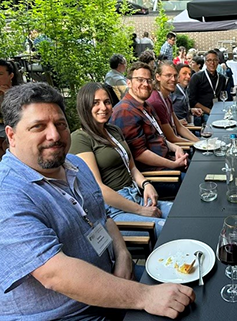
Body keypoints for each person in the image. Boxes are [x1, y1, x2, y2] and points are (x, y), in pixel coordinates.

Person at [0, 82, 195, 320]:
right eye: (38, 127)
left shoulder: (77, 165)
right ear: (11, 136)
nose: (54, 135)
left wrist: (123, 254)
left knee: (193, 292)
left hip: (115, 280)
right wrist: (145, 296)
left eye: (60, 124)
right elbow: (55, 274)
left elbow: (102, 218)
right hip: (66, 313)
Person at [70, 83, 172, 238]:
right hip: (114, 211)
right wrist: (140, 211)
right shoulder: (80, 138)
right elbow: (99, 189)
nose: (103, 107)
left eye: (107, 102)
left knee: (181, 215)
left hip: (136, 196)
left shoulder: (113, 131)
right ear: (84, 106)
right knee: (169, 231)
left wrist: (146, 184)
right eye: (95, 103)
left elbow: (131, 167)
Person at [110, 62, 189, 173]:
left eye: (148, 80)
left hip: (169, 161)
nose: (146, 84)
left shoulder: (146, 106)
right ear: (129, 83)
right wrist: (173, 165)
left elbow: (159, 137)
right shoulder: (125, 111)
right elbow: (140, 154)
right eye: (140, 80)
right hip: (157, 174)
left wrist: (177, 148)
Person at [147, 61, 199, 143]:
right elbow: (172, 138)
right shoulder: (156, 102)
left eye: (175, 75)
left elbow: (179, 127)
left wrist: (199, 141)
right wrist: (197, 144)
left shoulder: (166, 97)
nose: (173, 79)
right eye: (168, 75)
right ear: (158, 77)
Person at [188, 50, 226, 126]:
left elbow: (223, 96)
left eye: (215, 60)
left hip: (218, 111)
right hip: (203, 112)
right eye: (209, 60)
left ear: (218, 62)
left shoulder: (222, 78)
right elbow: (192, 100)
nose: (212, 63)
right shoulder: (197, 77)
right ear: (205, 62)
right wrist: (210, 111)